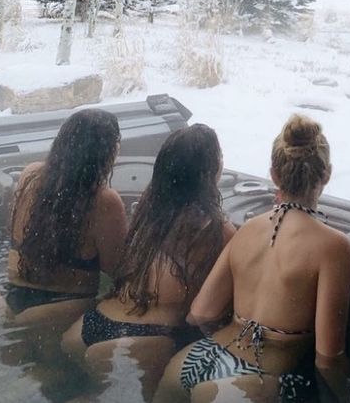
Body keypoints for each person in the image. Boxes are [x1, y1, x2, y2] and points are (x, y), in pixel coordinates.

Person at [154, 114, 350, 403]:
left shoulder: (247, 229)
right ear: (326, 174)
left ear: (274, 175)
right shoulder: (334, 247)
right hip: (252, 380)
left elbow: (200, 312)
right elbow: (328, 357)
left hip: (195, 360)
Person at [62, 123, 235, 401]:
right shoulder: (217, 229)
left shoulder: (148, 208)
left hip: (88, 327)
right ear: (209, 171)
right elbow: (223, 303)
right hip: (145, 336)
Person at [5, 108, 127, 350]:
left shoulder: (30, 175)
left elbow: (12, 228)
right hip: (62, 306)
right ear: (106, 153)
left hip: (12, 294)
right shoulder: (104, 201)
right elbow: (118, 271)